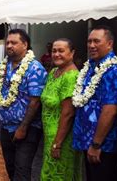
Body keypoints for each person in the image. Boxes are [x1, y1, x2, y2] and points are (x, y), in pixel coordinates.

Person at [72, 25, 117, 181]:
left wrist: (97, 144)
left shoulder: (114, 71)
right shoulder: (91, 66)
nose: (91, 45)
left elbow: (110, 110)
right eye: (89, 41)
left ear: (109, 44)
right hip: (88, 140)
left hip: (103, 145)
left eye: (96, 41)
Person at [0, 29, 47, 180]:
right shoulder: (4, 66)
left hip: (26, 129)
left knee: (22, 169)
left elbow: (35, 101)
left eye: (13, 42)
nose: (9, 46)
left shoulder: (34, 68)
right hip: (5, 127)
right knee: (10, 166)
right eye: (7, 42)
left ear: (25, 45)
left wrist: (23, 128)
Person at [40, 38, 82, 180]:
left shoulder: (71, 77)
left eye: (61, 51)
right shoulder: (54, 73)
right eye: (54, 51)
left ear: (72, 53)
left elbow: (68, 113)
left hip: (62, 138)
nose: (56, 54)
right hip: (49, 136)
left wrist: (57, 143)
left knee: (58, 175)